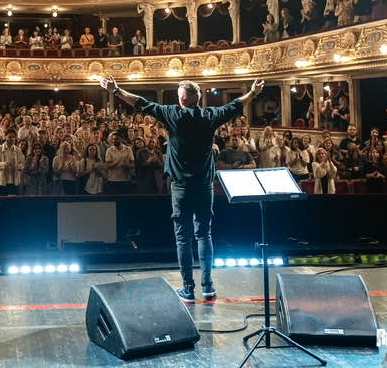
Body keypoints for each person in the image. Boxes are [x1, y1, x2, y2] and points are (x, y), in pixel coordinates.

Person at [99, 75, 264, 303]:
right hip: (204, 185)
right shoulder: (210, 116)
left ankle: (188, 288)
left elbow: (141, 103)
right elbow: (234, 106)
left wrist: (116, 90)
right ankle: (208, 287)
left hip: (181, 186)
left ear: (183, 100)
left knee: (183, 238)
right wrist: (253, 93)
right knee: (204, 234)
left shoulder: (173, 114)